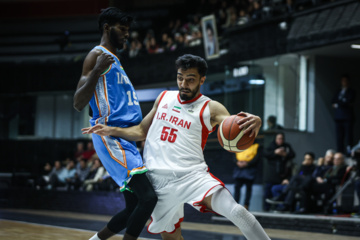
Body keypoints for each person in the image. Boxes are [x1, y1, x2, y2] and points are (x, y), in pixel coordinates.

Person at [82, 54, 271, 240]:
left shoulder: (210, 107)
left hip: (192, 176)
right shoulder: (164, 97)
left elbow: (235, 124)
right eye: (180, 78)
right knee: (171, 238)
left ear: (202, 80)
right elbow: (141, 131)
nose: (184, 84)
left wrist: (257, 121)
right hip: (157, 181)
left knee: (238, 212)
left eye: (190, 79)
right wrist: (110, 130)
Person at [73, 7, 157, 240]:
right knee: (149, 198)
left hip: (126, 136)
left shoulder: (115, 60)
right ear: (107, 28)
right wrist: (96, 70)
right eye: (123, 29)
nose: (127, 34)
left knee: (134, 207)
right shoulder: (96, 56)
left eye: (129, 30)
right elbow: (78, 102)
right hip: (110, 135)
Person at [263, 132, 295, 211]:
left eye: (282, 138)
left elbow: (293, 154)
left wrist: (285, 154)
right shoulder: (271, 145)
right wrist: (275, 152)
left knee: (278, 192)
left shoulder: (286, 146)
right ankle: (266, 209)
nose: (280, 140)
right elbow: (265, 153)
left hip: (282, 175)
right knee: (267, 193)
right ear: (276, 139)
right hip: (271, 174)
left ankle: (279, 208)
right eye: (279, 138)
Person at [331, 74, 356, 154]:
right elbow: (333, 101)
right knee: (339, 137)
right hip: (338, 117)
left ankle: (349, 152)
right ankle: (340, 153)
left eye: (345, 81)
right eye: (342, 81)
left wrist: (338, 104)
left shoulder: (351, 91)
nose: (343, 82)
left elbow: (348, 102)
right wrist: (341, 102)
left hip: (347, 117)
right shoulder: (338, 91)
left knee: (348, 136)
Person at [233, 141, 262, 210]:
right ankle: (235, 204)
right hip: (239, 170)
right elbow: (234, 156)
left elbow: (257, 158)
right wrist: (237, 162)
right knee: (237, 187)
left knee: (248, 188)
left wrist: (248, 164)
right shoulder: (239, 146)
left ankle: (246, 205)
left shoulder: (256, 146)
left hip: (249, 170)